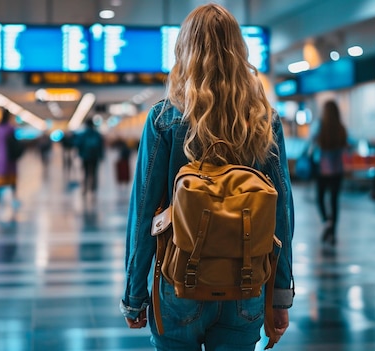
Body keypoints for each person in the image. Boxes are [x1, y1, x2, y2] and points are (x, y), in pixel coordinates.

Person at [120, 4, 295, 350]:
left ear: (184, 51)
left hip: (180, 277)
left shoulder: (164, 118)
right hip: (247, 281)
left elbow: (144, 212)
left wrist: (134, 295)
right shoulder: (263, 120)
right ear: (238, 51)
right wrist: (281, 294)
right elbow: (281, 212)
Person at [314, 100, 348, 246]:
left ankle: (327, 222)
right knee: (334, 201)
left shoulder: (320, 126)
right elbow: (349, 143)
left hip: (322, 169)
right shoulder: (341, 128)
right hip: (337, 170)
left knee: (320, 198)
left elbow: (311, 141)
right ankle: (333, 231)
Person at [76, 118, 104, 196]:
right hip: (95, 156)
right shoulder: (96, 134)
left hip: (85, 156)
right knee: (94, 172)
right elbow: (100, 146)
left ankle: (85, 188)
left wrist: (80, 154)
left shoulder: (83, 134)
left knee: (85, 172)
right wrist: (101, 156)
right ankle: (93, 188)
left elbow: (78, 144)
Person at [0, 109, 18, 197]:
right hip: (10, 155)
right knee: (12, 176)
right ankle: (14, 194)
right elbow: (15, 141)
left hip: (1, 155)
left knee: (1, 176)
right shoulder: (10, 128)